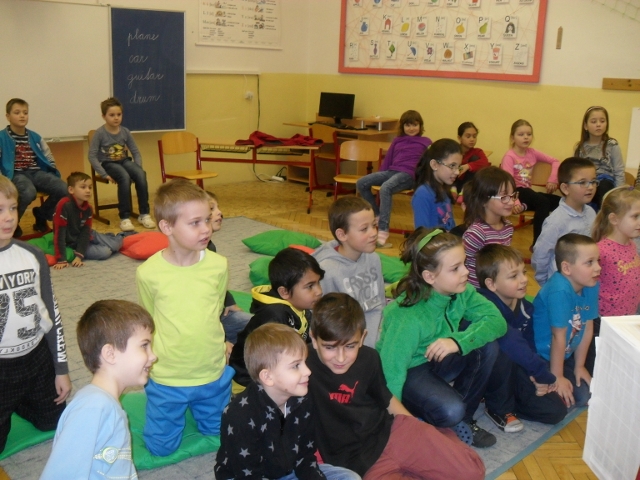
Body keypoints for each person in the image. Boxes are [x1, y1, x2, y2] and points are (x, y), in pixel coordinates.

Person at [307, 293, 485, 480]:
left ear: (362, 337)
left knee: (473, 473)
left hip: (393, 432)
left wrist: (416, 426)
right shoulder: (302, 367)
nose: (341, 358)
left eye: (350, 346)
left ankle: (440, 436)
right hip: (359, 461)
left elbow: (386, 399)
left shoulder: (369, 357)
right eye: (330, 347)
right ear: (314, 338)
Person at [377, 228, 506, 448]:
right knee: (451, 410)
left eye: (464, 263)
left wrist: (457, 341)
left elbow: (497, 322)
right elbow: (392, 375)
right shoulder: (407, 316)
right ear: (430, 276)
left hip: (437, 359)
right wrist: (396, 423)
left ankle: (463, 420)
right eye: (455, 268)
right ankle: (432, 412)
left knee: (488, 346)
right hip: (409, 370)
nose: (466, 272)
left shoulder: (461, 291)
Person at [136, 179, 234, 456]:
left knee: (220, 432)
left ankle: (203, 406)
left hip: (211, 372)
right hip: (168, 376)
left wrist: (220, 344)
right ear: (167, 227)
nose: (206, 229)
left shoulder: (219, 265)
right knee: (160, 448)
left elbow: (215, 309)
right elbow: (149, 320)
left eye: (207, 219)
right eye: (195, 223)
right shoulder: (148, 273)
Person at [215, 323, 361, 480]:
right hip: (247, 476)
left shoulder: (303, 399)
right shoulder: (239, 415)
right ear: (268, 377)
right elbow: (248, 475)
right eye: (296, 366)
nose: (308, 371)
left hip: (288, 471)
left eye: (304, 362)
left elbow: (305, 457)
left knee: (349, 477)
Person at [40, 300, 157, 479]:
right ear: (110, 354)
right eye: (144, 346)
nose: (153, 356)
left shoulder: (103, 403)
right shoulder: (93, 408)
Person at [0, 176, 71, 454]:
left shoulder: (32, 254)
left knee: (54, 422)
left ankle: (21, 401)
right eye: (0, 210)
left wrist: (61, 369)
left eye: (12, 208)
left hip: (36, 358)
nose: (9, 217)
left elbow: (51, 313)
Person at [477, 245, 567, 434]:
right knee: (503, 350)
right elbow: (512, 343)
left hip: (515, 368)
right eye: (513, 276)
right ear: (491, 284)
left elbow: (529, 345)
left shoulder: (525, 307)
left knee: (556, 411)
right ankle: (498, 408)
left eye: (523, 272)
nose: (524, 279)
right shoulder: (484, 306)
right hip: (482, 369)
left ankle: (502, 397)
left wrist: (536, 378)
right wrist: (541, 372)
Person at [229, 247, 324, 389]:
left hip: (279, 367)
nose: (319, 291)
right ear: (284, 292)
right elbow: (270, 364)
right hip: (250, 380)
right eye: (310, 286)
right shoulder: (274, 317)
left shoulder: (300, 307)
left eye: (318, 283)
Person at [532, 234, 599, 409]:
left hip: (565, 354)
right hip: (540, 355)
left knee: (584, 396)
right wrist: (557, 377)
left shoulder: (591, 284)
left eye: (598, 261)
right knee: (556, 405)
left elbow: (588, 327)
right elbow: (558, 336)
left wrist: (579, 366)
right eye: (590, 262)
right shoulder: (559, 291)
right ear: (567, 268)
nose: (598, 268)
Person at [312, 197, 385, 348]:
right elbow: (323, 322)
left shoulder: (374, 258)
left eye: (374, 225)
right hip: (349, 341)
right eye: (364, 229)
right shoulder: (327, 270)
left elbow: (381, 303)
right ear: (342, 235)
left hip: (378, 333)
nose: (373, 233)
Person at [356, 110, 432, 248]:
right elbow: (388, 160)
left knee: (386, 188)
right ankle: (377, 215)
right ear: (402, 126)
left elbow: (428, 164)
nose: (411, 128)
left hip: (409, 174)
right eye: (408, 125)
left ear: (420, 126)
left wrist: (423, 182)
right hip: (392, 171)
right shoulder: (397, 140)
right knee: (361, 182)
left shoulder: (425, 142)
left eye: (415, 125)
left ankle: (383, 232)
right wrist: (380, 176)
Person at [0, 98, 68, 238]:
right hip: (16, 174)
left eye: (25, 113)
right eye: (17, 113)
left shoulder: (35, 137)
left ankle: (41, 214)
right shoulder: (1, 137)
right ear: (8, 116)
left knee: (64, 189)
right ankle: (13, 222)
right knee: (28, 192)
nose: (22, 116)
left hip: (36, 172)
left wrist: (52, 170)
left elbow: (48, 155)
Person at [88, 97, 156, 232]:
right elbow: (92, 155)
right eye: (112, 115)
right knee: (124, 177)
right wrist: (103, 174)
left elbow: (135, 152)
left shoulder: (125, 131)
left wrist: (137, 167)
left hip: (124, 161)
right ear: (104, 116)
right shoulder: (100, 133)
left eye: (119, 114)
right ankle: (124, 217)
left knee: (140, 174)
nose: (116, 118)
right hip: (108, 164)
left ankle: (144, 214)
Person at [532, 157, 597, 287]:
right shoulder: (557, 221)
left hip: (584, 281)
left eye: (593, 181)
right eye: (583, 182)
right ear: (566, 188)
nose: (590, 187)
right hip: (561, 284)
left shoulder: (591, 212)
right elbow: (541, 253)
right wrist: (545, 282)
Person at [501, 119, 560, 246]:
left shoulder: (532, 152)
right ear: (512, 137)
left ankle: (526, 206)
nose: (526, 137)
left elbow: (555, 161)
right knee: (543, 202)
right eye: (521, 134)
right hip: (516, 191)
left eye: (529, 134)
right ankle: (538, 244)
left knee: (560, 202)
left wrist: (552, 179)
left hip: (528, 192)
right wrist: (515, 201)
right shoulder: (509, 156)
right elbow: (508, 182)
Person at [462, 166, 523, 287]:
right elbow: (463, 265)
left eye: (513, 195)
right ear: (484, 200)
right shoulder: (476, 233)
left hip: (495, 287)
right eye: (504, 197)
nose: (511, 202)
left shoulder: (508, 227)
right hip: (477, 291)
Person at [205, 190, 251, 344]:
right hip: (205, 326)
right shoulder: (196, 256)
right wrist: (221, 342)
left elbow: (216, 283)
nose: (219, 212)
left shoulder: (210, 247)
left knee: (263, 326)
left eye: (218, 207)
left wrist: (229, 302)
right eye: (212, 208)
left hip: (217, 316)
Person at [52, 172, 124, 269]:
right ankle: (109, 238)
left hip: (88, 236)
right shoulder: (63, 205)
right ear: (71, 190)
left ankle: (120, 236)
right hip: (72, 242)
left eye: (90, 187)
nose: (88, 191)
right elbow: (59, 234)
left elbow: (85, 233)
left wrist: (79, 256)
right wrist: (61, 259)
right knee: (105, 252)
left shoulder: (88, 208)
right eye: (83, 187)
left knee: (116, 244)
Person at [592, 186, 640, 316]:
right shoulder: (601, 250)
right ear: (614, 219)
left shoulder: (632, 245)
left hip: (628, 316)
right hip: (606, 319)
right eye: (635, 216)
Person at [574, 106, 625, 209]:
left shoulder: (612, 145)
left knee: (603, 187)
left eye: (602, 121)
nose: (598, 124)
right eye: (593, 121)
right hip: (587, 182)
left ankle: (602, 215)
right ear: (585, 126)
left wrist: (618, 194)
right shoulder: (580, 147)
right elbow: (576, 171)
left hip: (606, 182)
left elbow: (619, 171)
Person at [411, 138, 461, 231]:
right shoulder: (423, 194)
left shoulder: (444, 190)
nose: (457, 172)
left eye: (459, 167)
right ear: (434, 165)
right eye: (452, 166)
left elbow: (450, 224)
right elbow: (422, 235)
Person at [454, 122, 490, 195]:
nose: (472, 139)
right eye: (468, 136)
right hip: (454, 182)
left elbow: (485, 162)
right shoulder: (454, 151)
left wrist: (468, 166)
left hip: (468, 184)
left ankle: (464, 192)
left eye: (474, 136)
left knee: (475, 159)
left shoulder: (477, 151)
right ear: (459, 138)